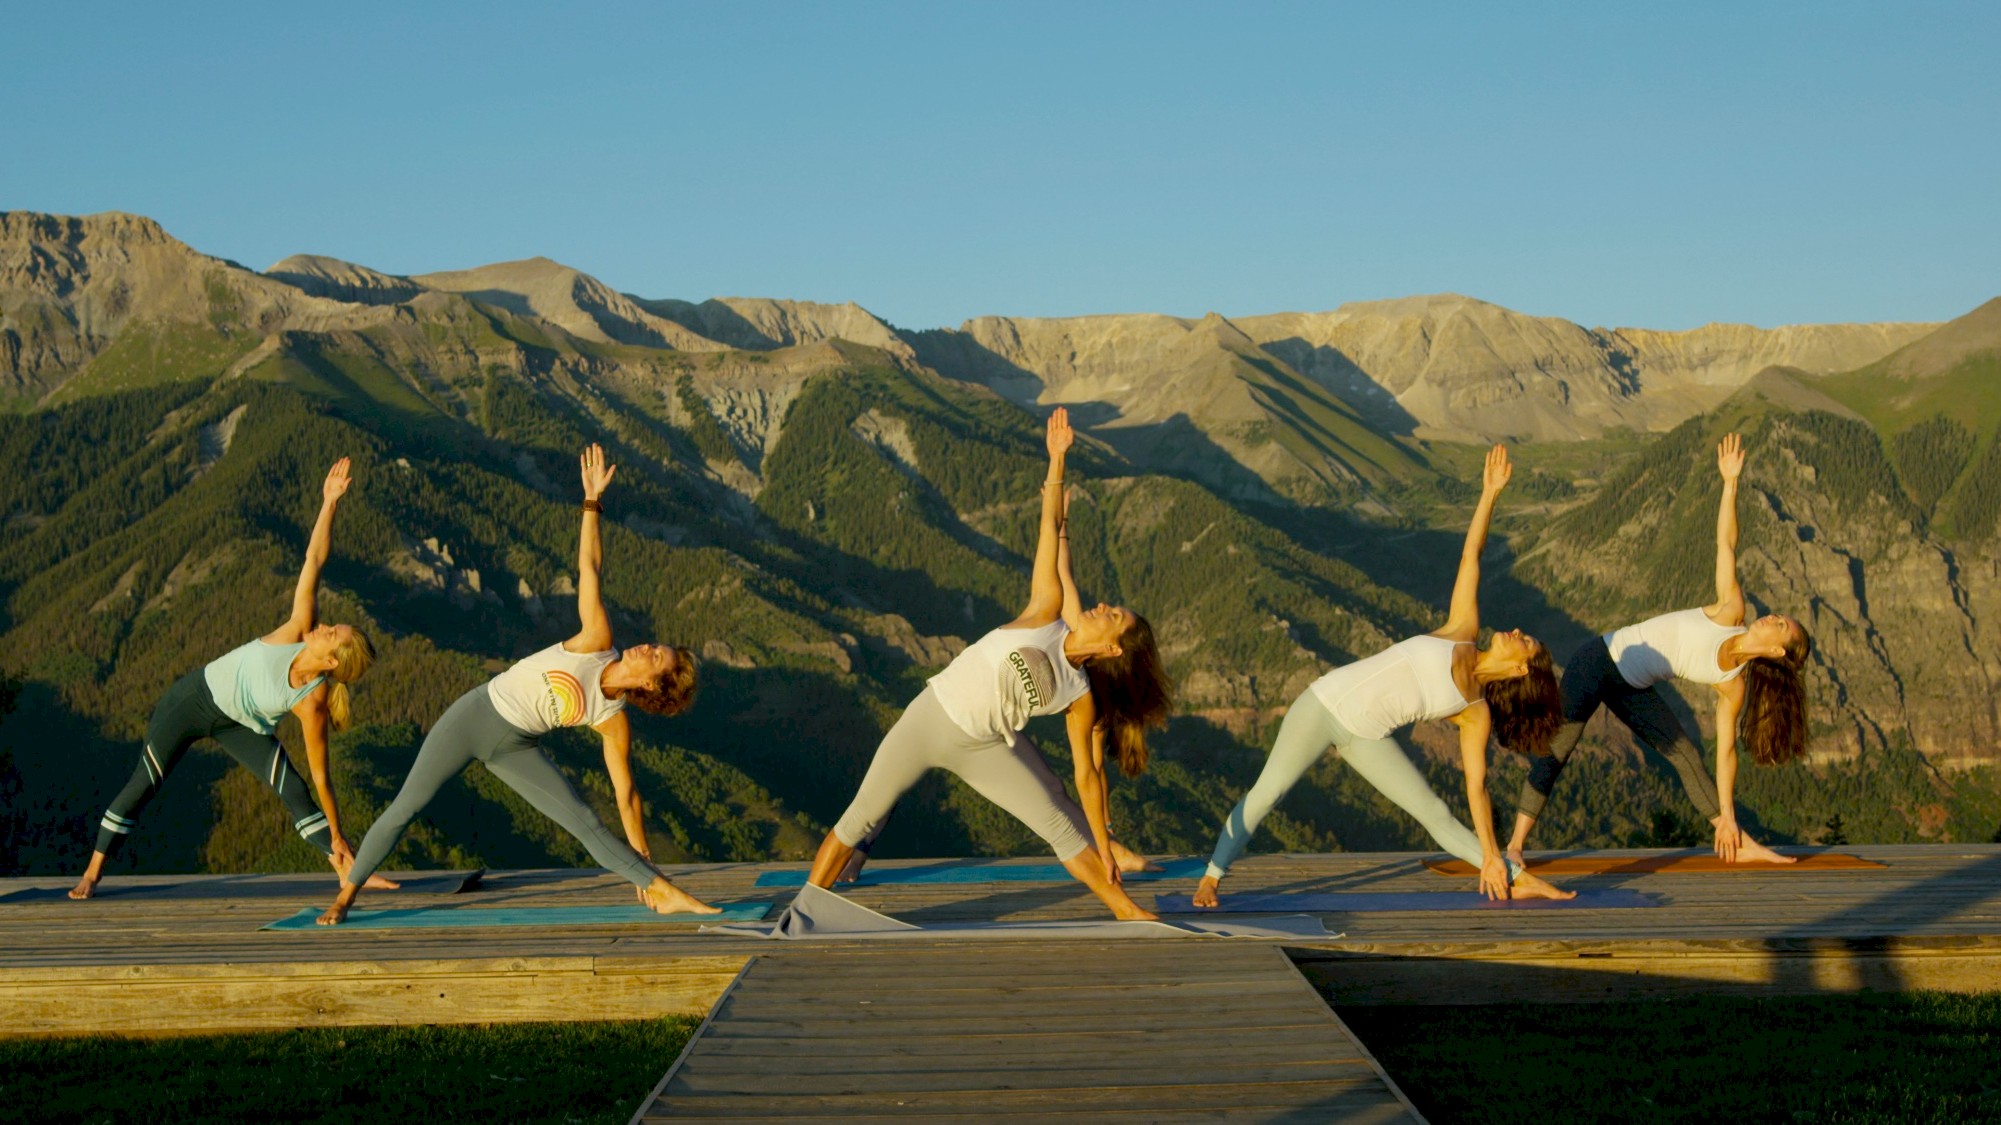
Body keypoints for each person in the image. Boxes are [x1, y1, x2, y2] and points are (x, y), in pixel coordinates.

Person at [318, 444, 715, 924]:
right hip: (474, 717)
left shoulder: (612, 720)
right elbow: (590, 569)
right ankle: (346, 896)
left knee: (585, 821)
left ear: (654, 687)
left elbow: (625, 794)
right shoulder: (597, 641)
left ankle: (663, 890)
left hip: (516, 748)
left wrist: (643, 859)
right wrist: (592, 503)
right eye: (655, 644)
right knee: (406, 807)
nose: (647, 647)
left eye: (656, 656)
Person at [802, 408, 1173, 920]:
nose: (1104, 607)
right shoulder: (1046, 612)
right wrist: (1057, 460)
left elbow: (1087, 776)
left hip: (985, 747)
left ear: (1114, 649)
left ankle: (1128, 912)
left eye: (1114, 617)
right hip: (930, 718)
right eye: (1111, 606)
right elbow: (1048, 536)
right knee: (858, 817)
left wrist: (1106, 848)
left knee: (1059, 824)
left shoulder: (1080, 695)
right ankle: (802, 913)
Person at [1194, 445, 1572, 907]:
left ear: (1519, 671)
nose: (1516, 631)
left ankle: (1514, 877)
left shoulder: (1475, 713)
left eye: (1524, 641)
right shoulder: (1462, 631)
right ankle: (1212, 877)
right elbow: (1471, 555)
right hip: (1323, 705)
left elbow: (1477, 789)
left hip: (1365, 737)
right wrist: (1489, 494)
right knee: (1269, 791)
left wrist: (1494, 856)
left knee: (1434, 811)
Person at [71, 458, 389, 899]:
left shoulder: (313, 702)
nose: (325, 625)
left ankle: (346, 871)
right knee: (145, 782)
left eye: (332, 633)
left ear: (332, 662)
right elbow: (314, 560)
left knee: (294, 789)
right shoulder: (297, 629)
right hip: (194, 700)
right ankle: (92, 872)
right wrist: (329, 503)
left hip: (240, 725)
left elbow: (322, 778)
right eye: (332, 624)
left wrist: (338, 834)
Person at [1507, 433, 1811, 867]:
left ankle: (1734, 839)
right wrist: (1730, 484)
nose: (1773, 618)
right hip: (1596, 661)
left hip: (1632, 686)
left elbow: (1725, 753)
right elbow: (1726, 545)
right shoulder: (1730, 611)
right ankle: (1515, 847)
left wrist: (1727, 814)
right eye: (1779, 616)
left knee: (1687, 755)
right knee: (1556, 752)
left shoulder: (1733, 687)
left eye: (1781, 626)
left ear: (1779, 652)